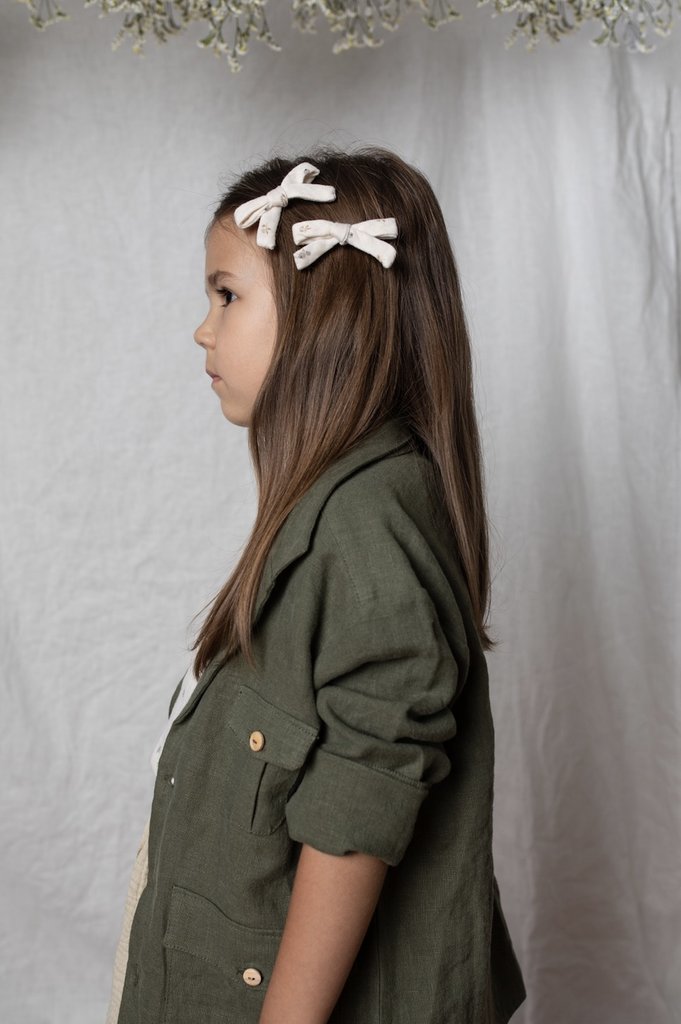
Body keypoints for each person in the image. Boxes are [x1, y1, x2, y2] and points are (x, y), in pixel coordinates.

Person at [106, 144, 528, 1024]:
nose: (202, 329)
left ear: (322, 314)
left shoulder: (366, 526)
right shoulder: (331, 509)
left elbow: (351, 833)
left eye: (227, 295)